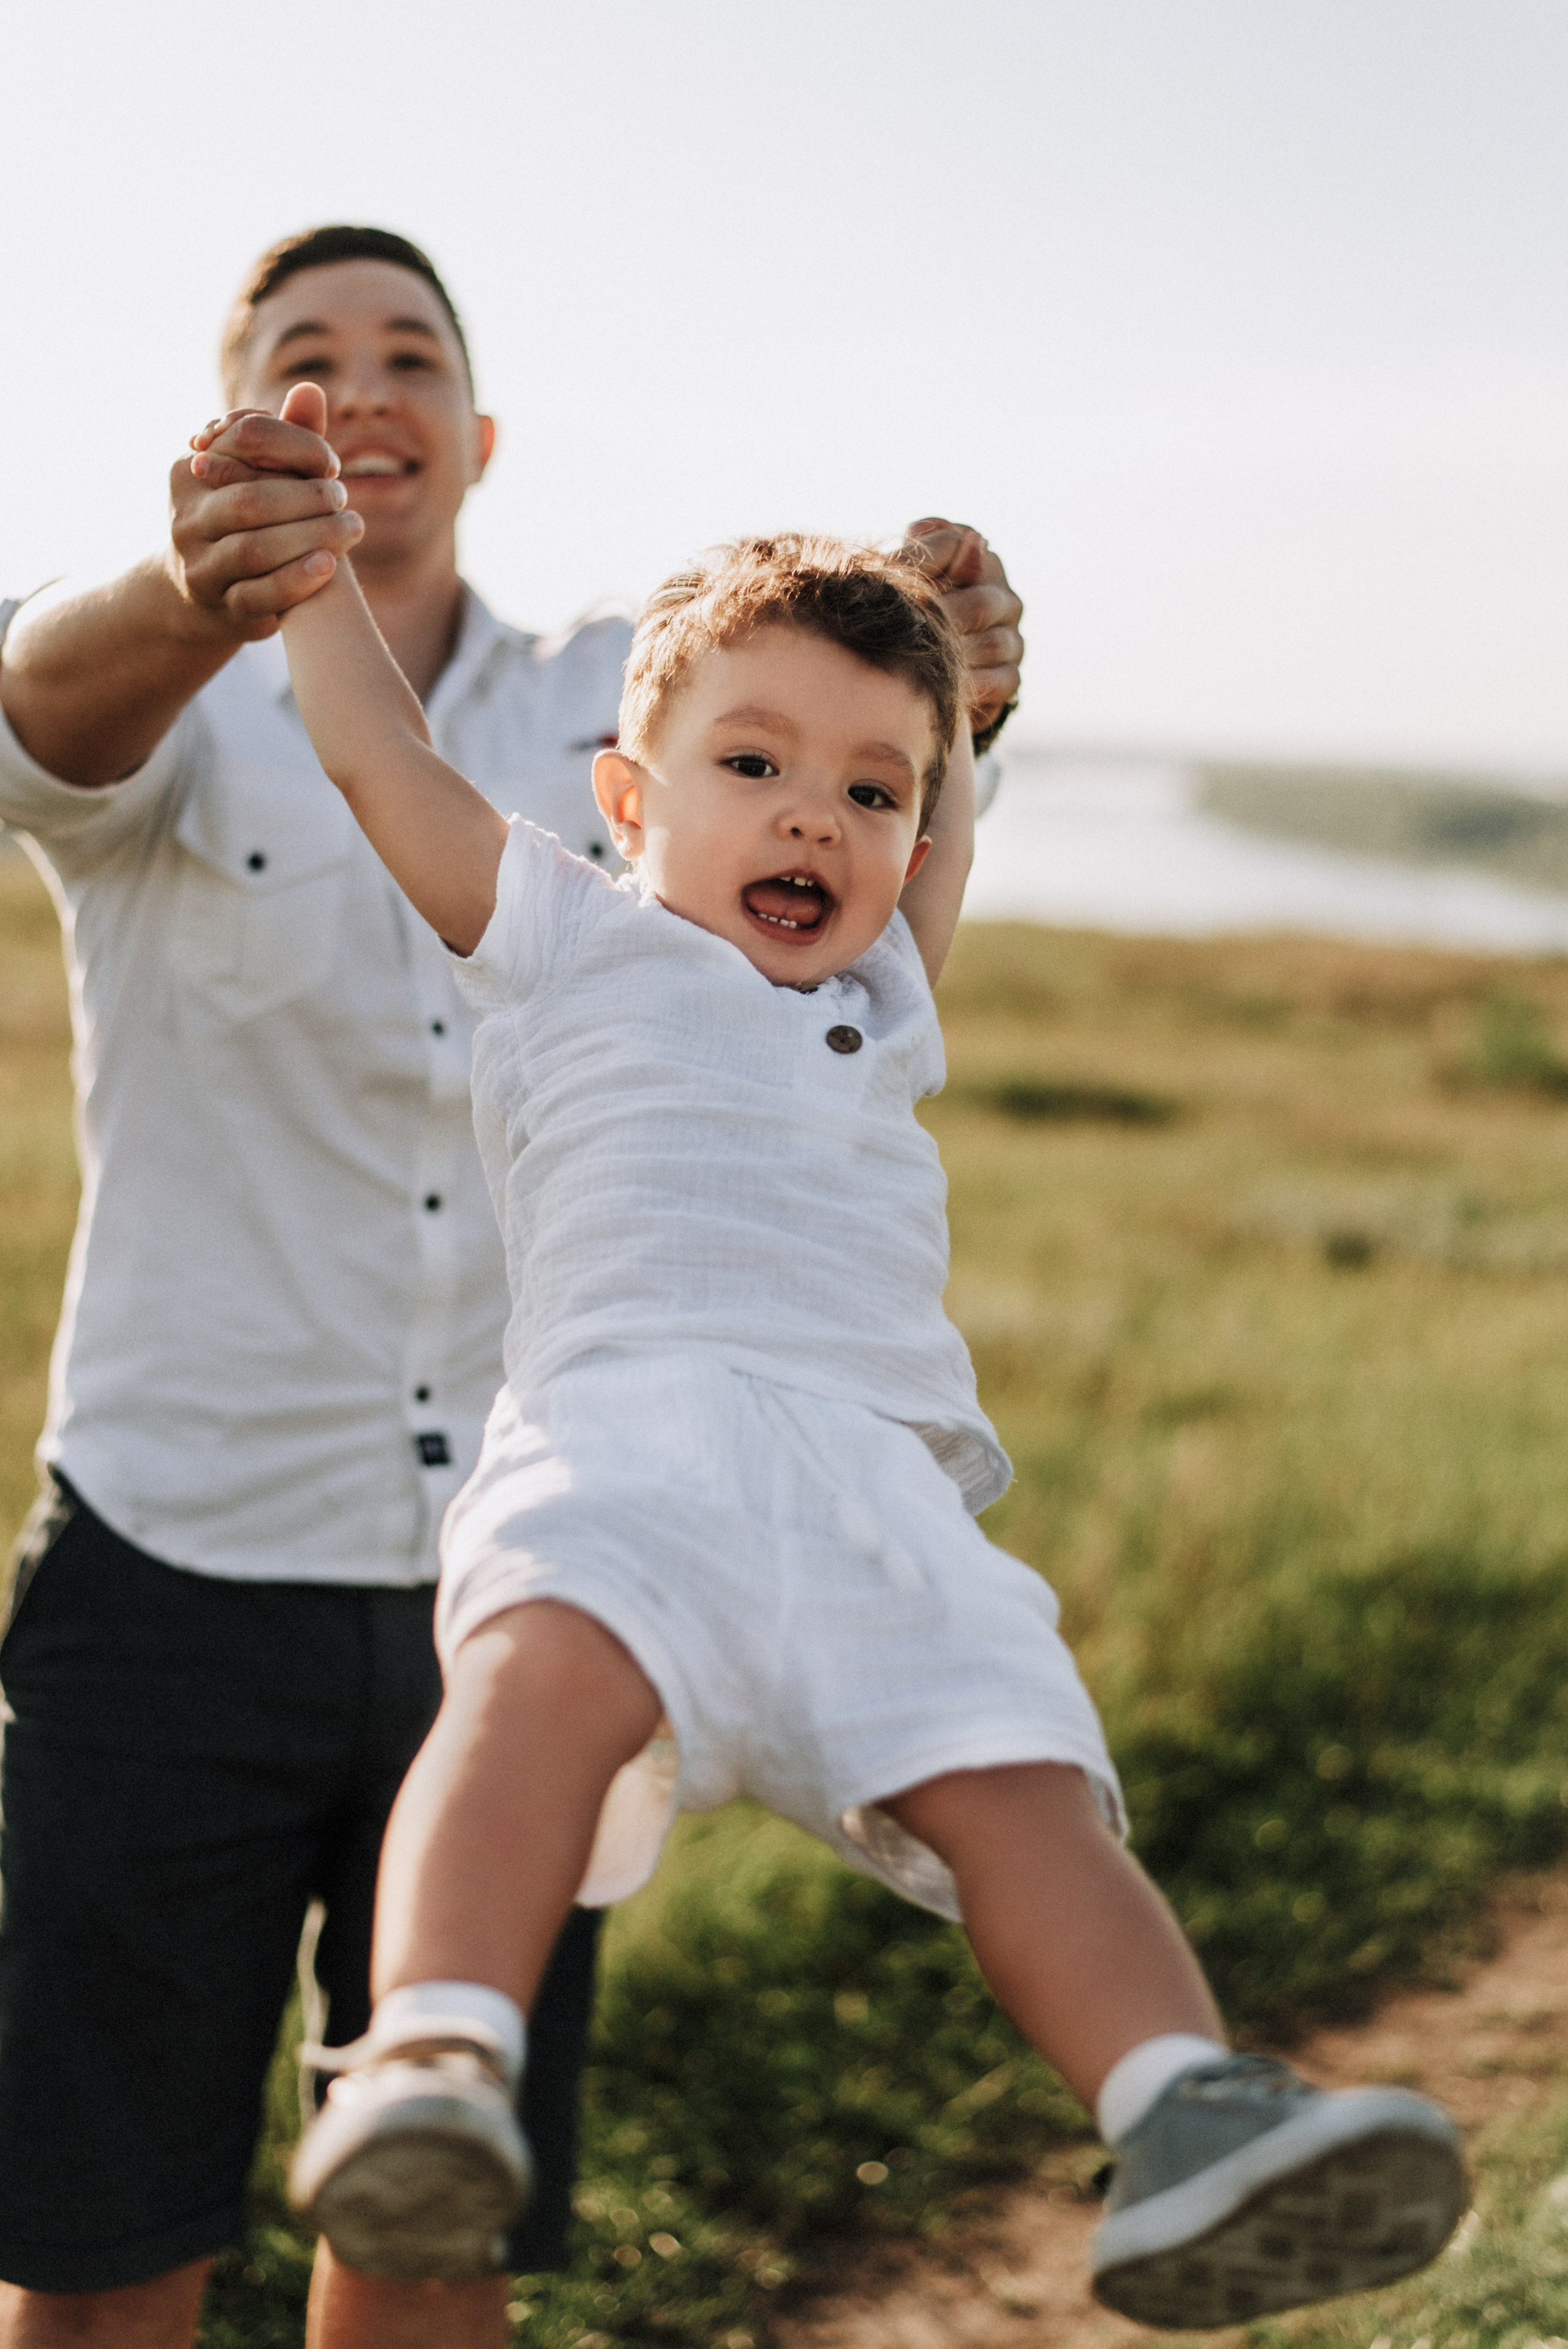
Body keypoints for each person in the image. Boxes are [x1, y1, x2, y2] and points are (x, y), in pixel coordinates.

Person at [252, 466, 1468, 2330]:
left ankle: (1183, 2108)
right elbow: (372, 759)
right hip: (627, 1445)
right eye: (753, 765)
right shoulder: (568, 934)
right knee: (522, 1698)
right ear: (627, 798)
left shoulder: (886, 985)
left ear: (915, 839)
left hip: (877, 1501)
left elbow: (944, 816)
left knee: (1030, 1785)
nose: (816, 812)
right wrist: (308, 569)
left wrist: (945, 679)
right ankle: (428, 2055)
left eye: (871, 789)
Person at [0, 225, 1026, 2349]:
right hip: (178, 1558)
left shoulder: (619, 701)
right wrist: (207, 581)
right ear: (232, 418)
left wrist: (956, 683)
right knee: (99, 2240)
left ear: (479, 431)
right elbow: (33, 709)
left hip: (549, 1574)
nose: (364, 387)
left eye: (412, 355)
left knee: (434, 2222)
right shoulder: (184, 681)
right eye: (309, 355)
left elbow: (841, 855)